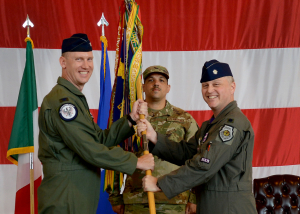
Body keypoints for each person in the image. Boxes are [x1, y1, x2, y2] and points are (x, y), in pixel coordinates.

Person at [37, 33, 154, 214]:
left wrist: (130, 119)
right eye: (79, 59)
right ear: (63, 62)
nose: (86, 65)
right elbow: (90, 149)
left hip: (77, 193)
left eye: (89, 59)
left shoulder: (74, 98)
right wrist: (136, 162)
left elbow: (98, 139)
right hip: (66, 196)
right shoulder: (63, 102)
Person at [138, 60, 257, 214]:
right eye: (205, 85)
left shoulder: (232, 124)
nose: (209, 90)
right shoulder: (211, 125)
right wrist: (154, 137)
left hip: (229, 207)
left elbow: (205, 164)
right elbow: (187, 153)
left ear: (232, 87)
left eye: (216, 84)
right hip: (212, 205)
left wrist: (160, 184)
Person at [108, 66, 199, 214]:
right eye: (150, 80)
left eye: (161, 80)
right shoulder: (131, 119)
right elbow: (115, 154)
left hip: (174, 201)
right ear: (143, 86)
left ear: (168, 87)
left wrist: (194, 197)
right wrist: (115, 197)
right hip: (136, 200)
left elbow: (196, 159)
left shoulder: (185, 119)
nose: (156, 83)